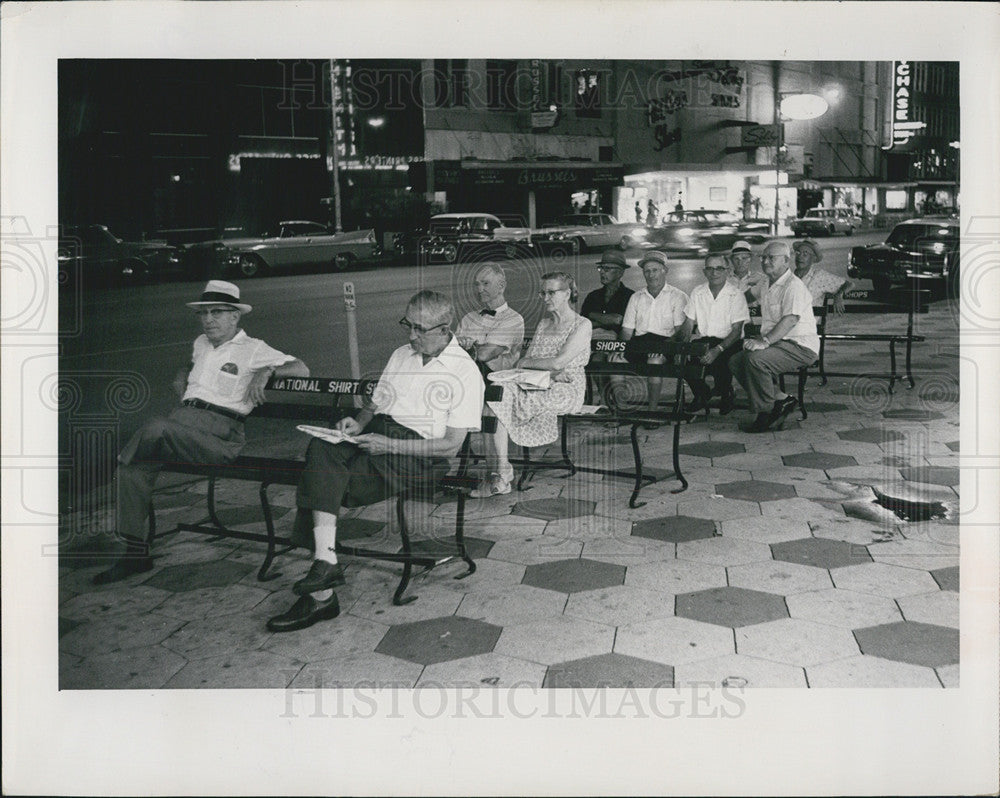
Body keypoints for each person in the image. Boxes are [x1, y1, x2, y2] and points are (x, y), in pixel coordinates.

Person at [267, 290, 484, 632]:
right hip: (381, 435)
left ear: (445, 328)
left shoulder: (465, 372)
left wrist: (390, 445)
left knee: (324, 479)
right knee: (322, 448)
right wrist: (360, 423)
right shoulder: (402, 354)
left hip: (420, 455)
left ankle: (322, 595)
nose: (411, 335)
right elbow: (375, 403)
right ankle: (325, 563)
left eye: (420, 329)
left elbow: (450, 447)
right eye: (407, 325)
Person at [93, 280, 310, 585]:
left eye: (217, 312)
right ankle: (135, 553)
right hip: (182, 425)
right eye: (204, 313)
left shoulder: (253, 349)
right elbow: (195, 365)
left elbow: (302, 368)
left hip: (219, 437)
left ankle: (112, 465)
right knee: (133, 470)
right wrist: (183, 372)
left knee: (153, 429)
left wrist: (268, 370)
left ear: (235, 316)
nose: (209, 319)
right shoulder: (200, 343)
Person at [472, 273, 592, 497]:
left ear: (567, 294)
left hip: (566, 389)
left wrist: (536, 365)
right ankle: (500, 471)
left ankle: (500, 473)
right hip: (539, 383)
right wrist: (543, 369)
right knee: (494, 397)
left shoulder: (582, 324)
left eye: (551, 292)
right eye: (543, 292)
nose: (546, 298)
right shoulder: (544, 323)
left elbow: (558, 362)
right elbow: (528, 364)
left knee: (497, 399)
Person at [728, 241, 820, 433]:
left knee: (755, 360)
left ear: (787, 261)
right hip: (779, 344)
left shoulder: (793, 285)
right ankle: (781, 399)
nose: (766, 261)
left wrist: (764, 342)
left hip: (799, 345)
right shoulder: (766, 283)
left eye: (772, 257)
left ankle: (766, 413)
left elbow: (790, 320)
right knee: (736, 361)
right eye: (764, 257)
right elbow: (744, 299)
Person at [680, 254, 750, 415]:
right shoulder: (698, 292)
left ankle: (726, 393)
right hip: (705, 340)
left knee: (721, 359)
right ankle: (701, 393)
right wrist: (682, 347)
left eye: (719, 268)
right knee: (686, 360)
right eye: (710, 268)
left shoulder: (736, 294)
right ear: (704, 272)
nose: (714, 272)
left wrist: (718, 349)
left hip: (730, 342)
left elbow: (737, 330)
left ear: (727, 271)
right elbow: (689, 323)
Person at [621, 250, 689, 411]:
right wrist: (620, 348)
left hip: (666, 344)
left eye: (655, 270)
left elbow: (680, 333)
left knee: (654, 362)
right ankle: (620, 410)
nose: (651, 275)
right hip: (640, 343)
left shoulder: (678, 296)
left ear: (665, 270)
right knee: (616, 360)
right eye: (647, 271)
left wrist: (663, 348)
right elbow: (627, 330)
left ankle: (652, 411)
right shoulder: (636, 297)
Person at [455, 264, 525, 377]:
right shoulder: (468, 317)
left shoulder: (513, 320)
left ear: (501, 286)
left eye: (485, 283)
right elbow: (451, 350)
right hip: (463, 375)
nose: (479, 289)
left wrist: (465, 346)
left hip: (494, 381)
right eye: (477, 284)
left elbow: (484, 355)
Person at [792, 239, 854, 314]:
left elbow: (849, 284)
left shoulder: (819, 275)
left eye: (805, 254)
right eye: (798, 253)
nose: (800, 257)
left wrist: (839, 295)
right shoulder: (790, 276)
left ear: (813, 258)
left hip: (807, 323)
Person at [727, 240, 766, 306]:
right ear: (731, 260)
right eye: (736, 259)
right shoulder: (724, 280)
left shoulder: (760, 279)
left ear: (750, 259)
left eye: (744, 258)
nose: (740, 262)